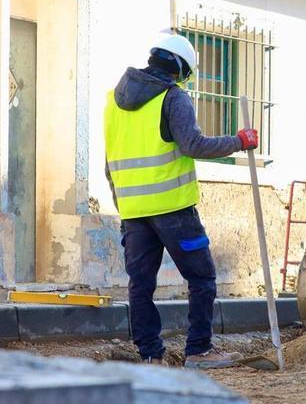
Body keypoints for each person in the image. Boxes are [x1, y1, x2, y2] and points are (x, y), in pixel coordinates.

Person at [104, 34, 259, 369]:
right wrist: (239, 141)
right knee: (202, 277)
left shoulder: (112, 102)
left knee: (141, 286)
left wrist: (125, 205)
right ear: (179, 68)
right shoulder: (173, 97)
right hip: (173, 209)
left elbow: (109, 164)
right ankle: (199, 351)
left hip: (134, 212)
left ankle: (150, 356)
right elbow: (192, 144)